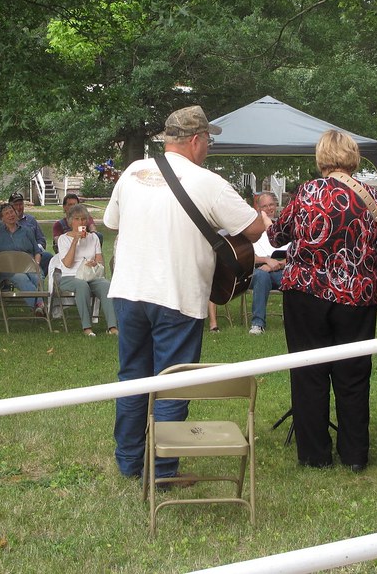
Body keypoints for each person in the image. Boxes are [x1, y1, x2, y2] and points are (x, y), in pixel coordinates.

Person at [105, 105, 268, 482]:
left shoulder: (132, 173)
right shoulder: (209, 182)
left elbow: (111, 222)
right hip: (177, 295)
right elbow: (255, 228)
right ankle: (161, 470)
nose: (209, 146)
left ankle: (129, 462)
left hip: (129, 291)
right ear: (196, 140)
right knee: (173, 384)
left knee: (133, 377)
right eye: (208, 140)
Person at [268, 130, 377, 472]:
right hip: (356, 294)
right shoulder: (371, 196)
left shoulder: (306, 192)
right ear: (353, 157)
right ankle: (354, 455)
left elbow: (277, 235)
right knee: (353, 374)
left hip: (305, 292)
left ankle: (314, 455)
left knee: (308, 373)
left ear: (321, 158)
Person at [55, 203, 117, 336]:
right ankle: (87, 327)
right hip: (70, 277)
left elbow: (100, 261)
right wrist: (74, 241)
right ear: (71, 221)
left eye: (83, 219)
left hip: (91, 275)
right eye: (77, 219)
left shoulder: (93, 237)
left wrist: (95, 263)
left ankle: (112, 327)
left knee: (106, 286)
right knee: (82, 286)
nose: (81, 222)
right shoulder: (63, 239)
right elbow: (67, 264)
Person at [0, 202, 47, 316]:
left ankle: (39, 307)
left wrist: (36, 263)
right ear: (2, 219)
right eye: (6, 213)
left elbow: (37, 251)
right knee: (21, 278)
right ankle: (40, 305)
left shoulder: (27, 231)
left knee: (38, 277)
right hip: (8, 269)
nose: (10, 215)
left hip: (29, 265)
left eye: (12, 212)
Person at [248, 191, 288, 335]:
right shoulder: (252, 230)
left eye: (271, 204)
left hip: (280, 269)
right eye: (265, 206)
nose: (269, 208)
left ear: (276, 205)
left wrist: (279, 264)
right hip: (256, 270)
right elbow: (247, 256)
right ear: (258, 209)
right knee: (261, 276)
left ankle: (291, 320)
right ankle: (257, 324)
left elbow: (294, 254)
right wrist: (266, 261)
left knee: (294, 277)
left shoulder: (283, 228)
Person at [0, 192, 53, 275]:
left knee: (48, 256)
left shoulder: (31, 220)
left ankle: (38, 278)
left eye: (21, 204)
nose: (19, 207)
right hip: (11, 258)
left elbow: (41, 239)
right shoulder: (0, 223)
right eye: (15, 205)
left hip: (31, 255)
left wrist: (36, 249)